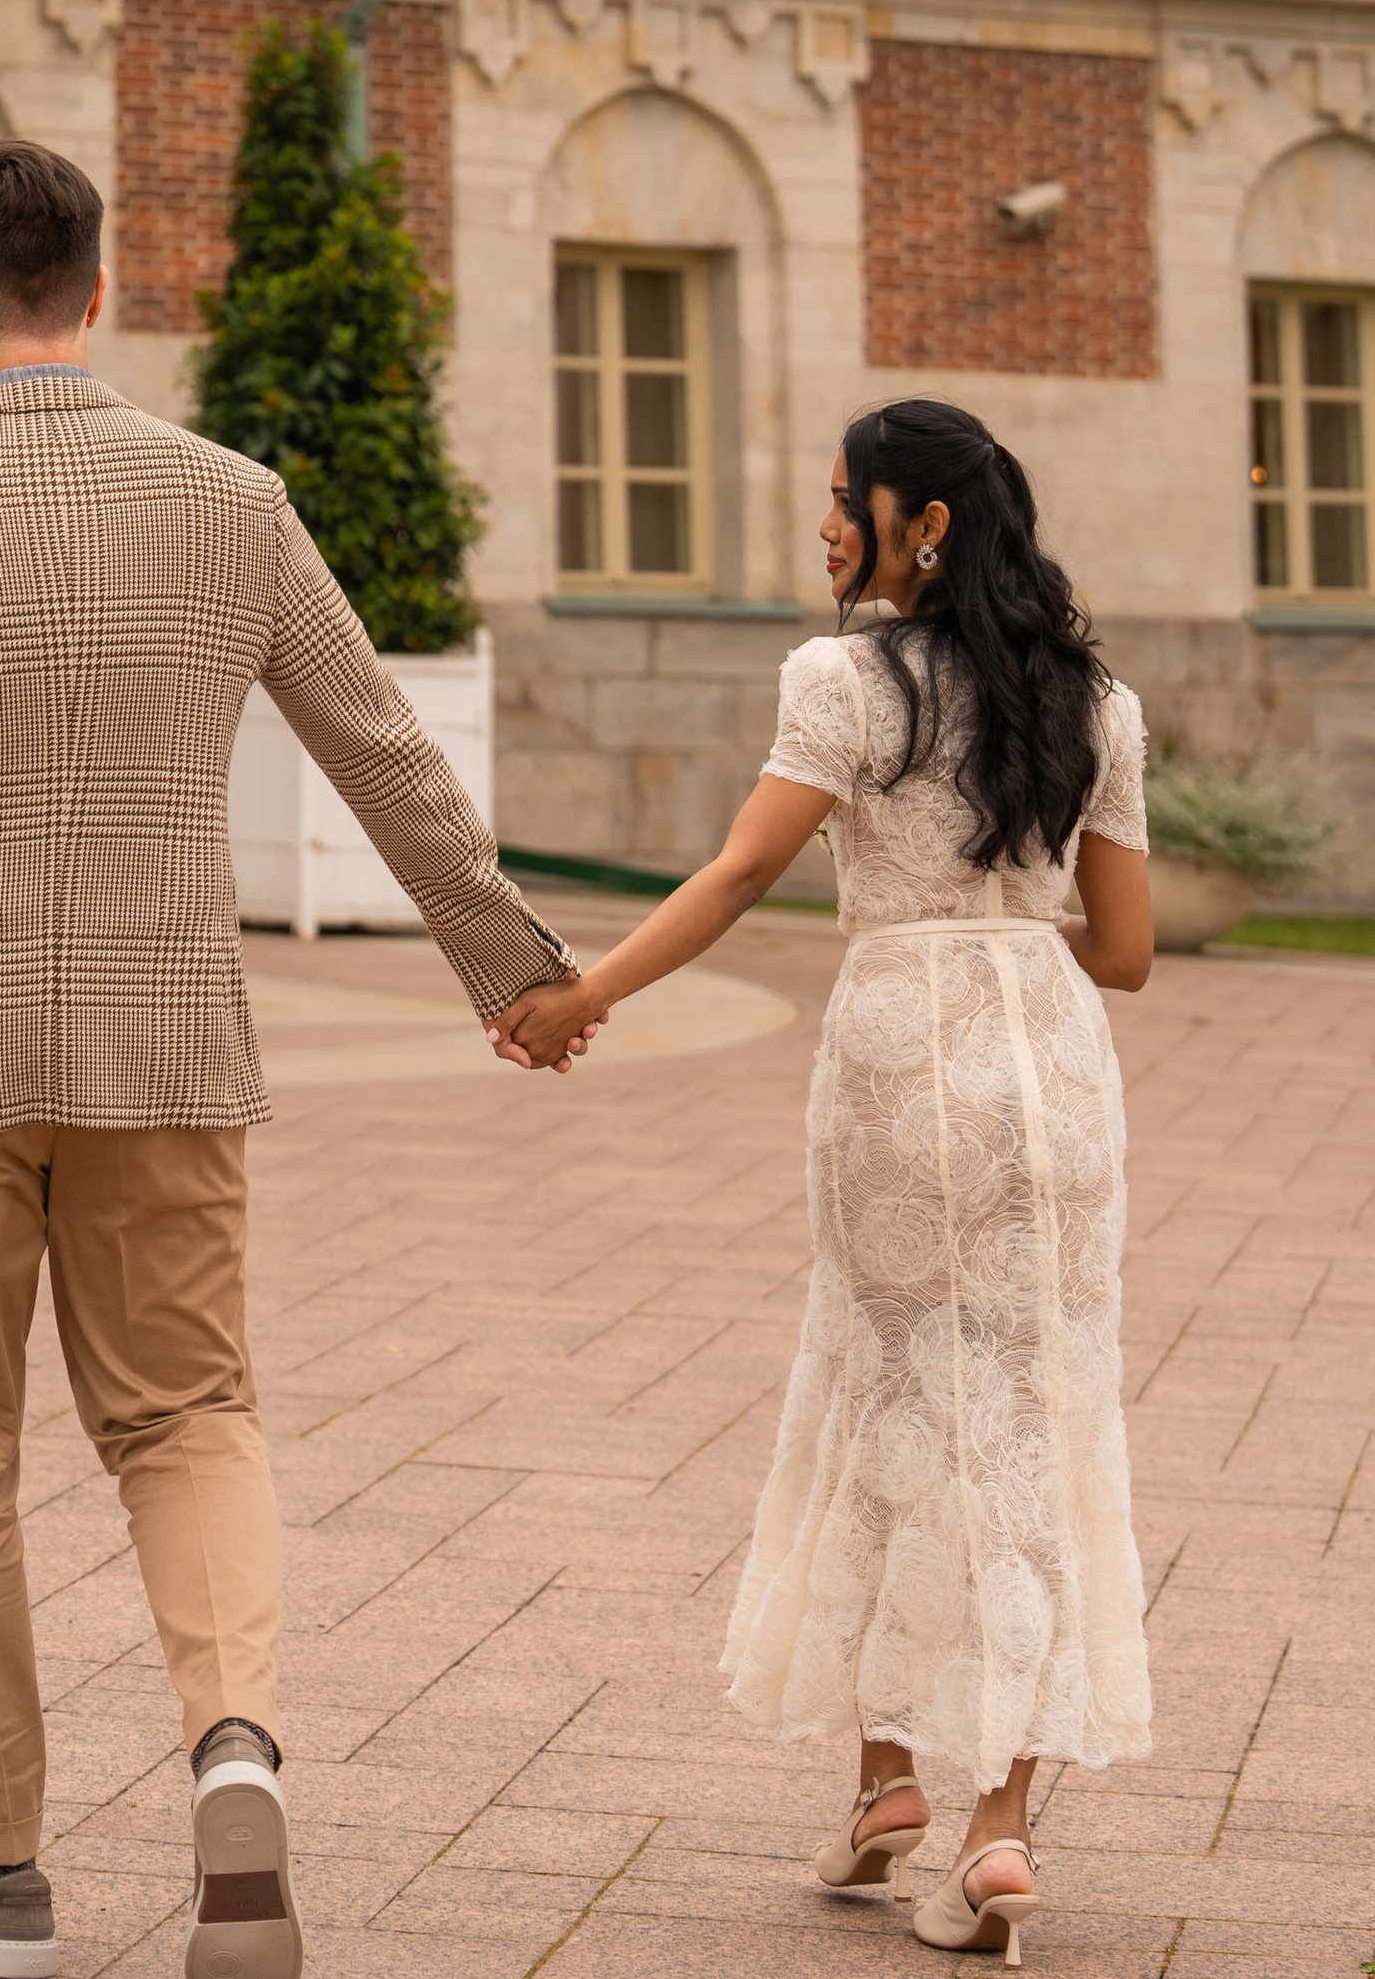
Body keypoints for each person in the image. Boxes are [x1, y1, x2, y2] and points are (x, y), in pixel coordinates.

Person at [0, 138, 585, 1979]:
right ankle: (233, 1752)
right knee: (188, 1415)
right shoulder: (231, 501)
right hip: (165, 1040)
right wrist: (514, 970)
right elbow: (379, 746)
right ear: (101, 289)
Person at [500, 400, 1153, 1963]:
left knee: (886, 1386)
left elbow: (740, 873)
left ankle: (905, 1788)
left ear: (922, 523)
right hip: (1056, 1071)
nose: (823, 524)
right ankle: (982, 1820)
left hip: (900, 1062)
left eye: (843, 498)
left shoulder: (842, 682)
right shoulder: (1099, 699)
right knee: (1034, 1411)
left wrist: (584, 994)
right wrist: (1005, 929)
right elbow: (1128, 952)